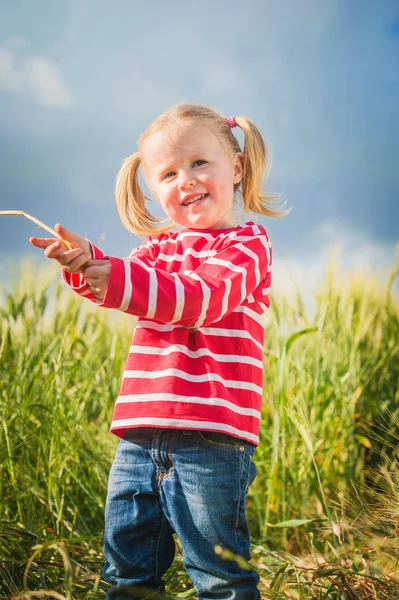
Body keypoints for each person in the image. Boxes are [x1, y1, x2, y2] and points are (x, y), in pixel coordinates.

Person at [30, 104, 288, 600]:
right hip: (139, 434)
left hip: (212, 440)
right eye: (168, 173)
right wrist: (88, 263)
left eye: (198, 163)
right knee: (127, 568)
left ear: (235, 168)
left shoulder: (247, 246)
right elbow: (125, 282)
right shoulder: (158, 250)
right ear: (153, 190)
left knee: (219, 573)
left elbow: (196, 299)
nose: (185, 180)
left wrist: (116, 275)